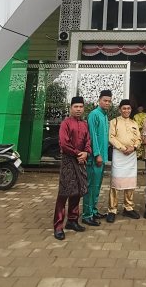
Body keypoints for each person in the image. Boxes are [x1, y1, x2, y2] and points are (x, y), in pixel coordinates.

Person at [53, 96, 92, 240]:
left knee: (77, 191)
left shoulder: (85, 124)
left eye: (81, 107)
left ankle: (72, 221)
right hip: (68, 161)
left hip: (81, 160)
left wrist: (86, 153)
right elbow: (64, 143)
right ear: (71, 108)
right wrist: (78, 154)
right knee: (64, 193)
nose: (78, 109)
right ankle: (58, 226)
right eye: (76, 107)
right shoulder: (66, 123)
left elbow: (88, 141)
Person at [107, 99, 142, 222]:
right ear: (119, 109)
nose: (126, 110)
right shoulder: (114, 122)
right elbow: (111, 137)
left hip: (131, 155)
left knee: (130, 182)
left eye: (128, 108)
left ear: (131, 110)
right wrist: (122, 148)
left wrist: (134, 147)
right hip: (119, 154)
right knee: (115, 183)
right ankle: (112, 209)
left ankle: (128, 208)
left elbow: (139, 139)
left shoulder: (134, 123)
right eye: (124, 108)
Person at [82, 89, 112, 226]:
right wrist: (97, 154)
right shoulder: (94, 114)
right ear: (99, 100)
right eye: (105, 100)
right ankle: (86, 215)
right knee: (90, 187)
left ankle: (93, 211)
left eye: (109, 101)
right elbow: (92, 136)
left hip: (102, 158)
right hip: (95, 158)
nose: (107, 103)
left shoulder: (104, 116)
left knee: (97, 186)